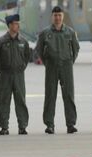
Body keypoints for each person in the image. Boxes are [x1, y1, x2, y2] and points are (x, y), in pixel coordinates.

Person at [36, 6, 80, 135]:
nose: (57, 18)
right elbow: (39, 50)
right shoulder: (45, 33)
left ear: (63, 16)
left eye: (59, 15)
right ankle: (49, 125)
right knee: (50, 96)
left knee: (69, 95)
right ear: (52, 17)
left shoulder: (70, 32)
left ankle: (71, 124)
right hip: (51, 67)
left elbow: (75, 49)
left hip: (66, 66)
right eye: (55, 15)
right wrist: (47, 62)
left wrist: (69, 62)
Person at [0, 14, 31, 136]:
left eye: (18, 23)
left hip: (19, 75)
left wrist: (21, 67)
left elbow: (26, 56)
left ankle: (22, 126)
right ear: (9, 25)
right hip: (6, 75)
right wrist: (3, 70)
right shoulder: (0, 42)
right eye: (15, 23)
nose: (17, 25)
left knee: (21, 100)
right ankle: (4, 127)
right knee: (4, 100)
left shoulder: (23, 41)